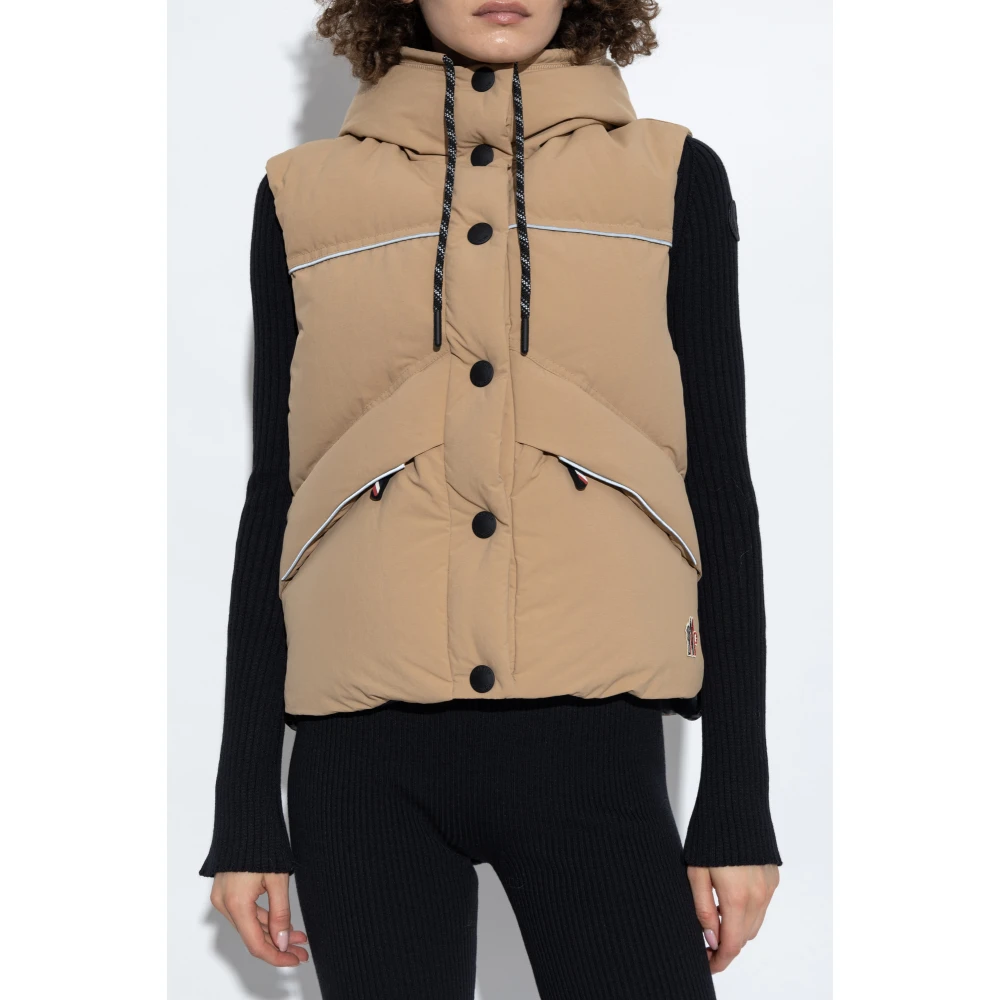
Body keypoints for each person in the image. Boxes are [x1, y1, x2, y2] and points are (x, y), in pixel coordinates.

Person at [200, 1, 781, 996]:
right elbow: (276, 498)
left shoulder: (669, 178)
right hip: (359, 764)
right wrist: (245, 808)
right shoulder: (302, 197)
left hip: (591, 749)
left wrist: (737, 805)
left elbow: (719, 487)